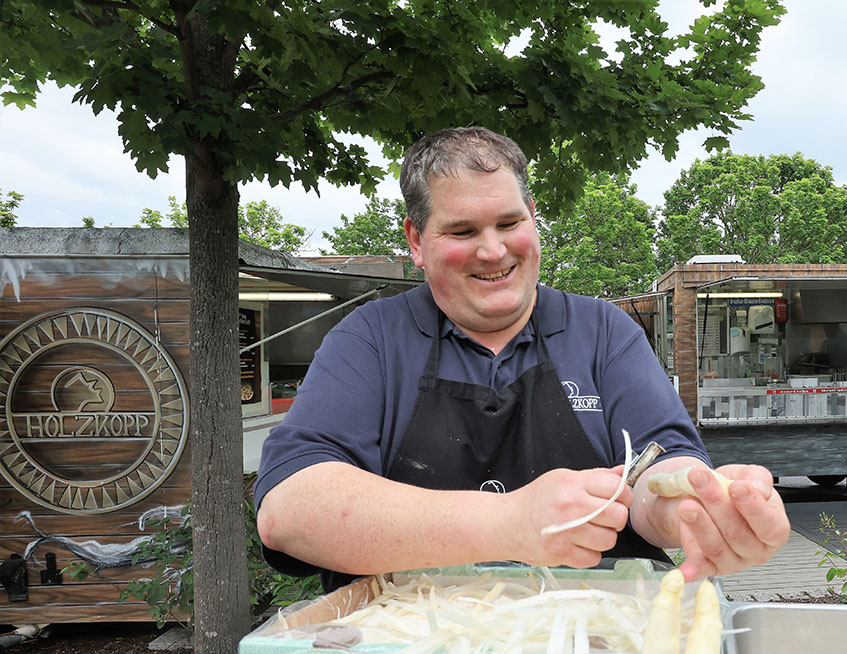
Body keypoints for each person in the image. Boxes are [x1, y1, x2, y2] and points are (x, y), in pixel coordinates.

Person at [254, 126, 790, 592]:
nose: (493, 251)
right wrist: (508, 521)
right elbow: (289, 509)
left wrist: (700, 508)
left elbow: (659, 467)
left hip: (597, 646)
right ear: (416, 241)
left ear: (534, 219)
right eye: (463, 231)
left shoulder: (603, 332)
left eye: (509, 223)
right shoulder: (370, 340)